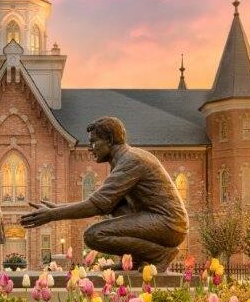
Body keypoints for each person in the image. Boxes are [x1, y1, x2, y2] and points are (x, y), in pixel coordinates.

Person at [20, 116, 188, 271]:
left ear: (109, 140)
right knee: (117, 206)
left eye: (94, 142)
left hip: (169, 224)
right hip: (160, 220)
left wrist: (53, 214)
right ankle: (139, 259)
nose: (90, 148)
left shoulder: (131, 161)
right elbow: (106, 203)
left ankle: (159, 255)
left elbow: (97, 204)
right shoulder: (124, 159)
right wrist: (57, 208)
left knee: (93, 235)